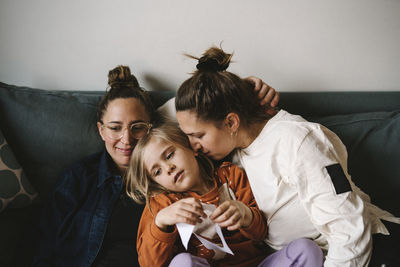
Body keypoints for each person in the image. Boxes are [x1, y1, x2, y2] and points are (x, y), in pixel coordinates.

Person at [32, 65, 279, 267]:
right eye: (115, 128)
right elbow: (45, 246)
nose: (126, 140)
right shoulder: (79, 178)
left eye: (137, 127)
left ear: (153, 125)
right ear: (101, 130)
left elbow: (210, 114)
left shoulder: (193, 168)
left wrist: (239, 91)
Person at [174, 46, 400, 267]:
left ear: (232, 122)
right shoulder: (234, 148)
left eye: (198, 136)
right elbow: (161, 119)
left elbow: (349, 227)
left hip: (364, 251)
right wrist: (241, 87)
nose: (193, 147)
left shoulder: (296, 140)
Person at [125, 122, 323, 267]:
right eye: (157, 172)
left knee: (307, 249)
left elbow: (261, 232)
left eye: (169, 155)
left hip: (257, 264)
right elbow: (150, 264)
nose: (168, 168)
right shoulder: (162, 204)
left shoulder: (231, 176)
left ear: (191, 148)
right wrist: (161, 223)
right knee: (182, 263)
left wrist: (246, 215)